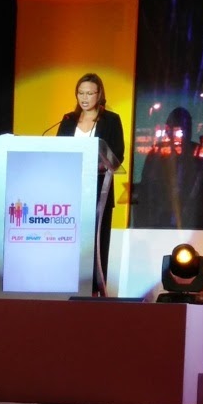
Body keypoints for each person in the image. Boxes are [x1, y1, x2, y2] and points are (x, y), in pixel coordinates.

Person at [57, 72, 125, 297]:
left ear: (99, 94)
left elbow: (118, 154)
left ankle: (96, 290)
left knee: (97, 242)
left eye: (89, 93)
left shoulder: (111, 120)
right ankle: (67, 285)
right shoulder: (68, 120)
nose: (84, 98)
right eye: (81, 93)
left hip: (98, 191)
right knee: (70, 240)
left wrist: (96, 166)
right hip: (70, 190)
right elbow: (59, 150)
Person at [136, 106, 203, 229]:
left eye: (182, 131)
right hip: (160, 212)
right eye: (175, 130)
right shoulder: (157, 150)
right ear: (168, 131)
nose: (179, 135)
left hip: (188, 211)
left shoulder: (197, 151)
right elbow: (147, 180)